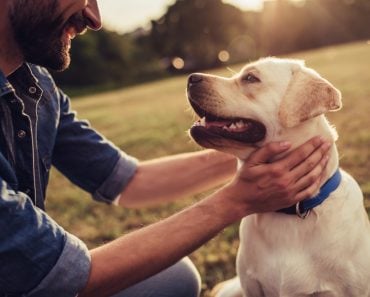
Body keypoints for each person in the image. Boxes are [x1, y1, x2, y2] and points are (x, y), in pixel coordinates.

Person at [0, 1, 332, 297]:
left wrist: (267, 146)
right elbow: (57, 277)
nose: (94, 16)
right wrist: (236, 200)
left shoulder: (37, 87)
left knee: (173, 278)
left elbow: (130, 180)